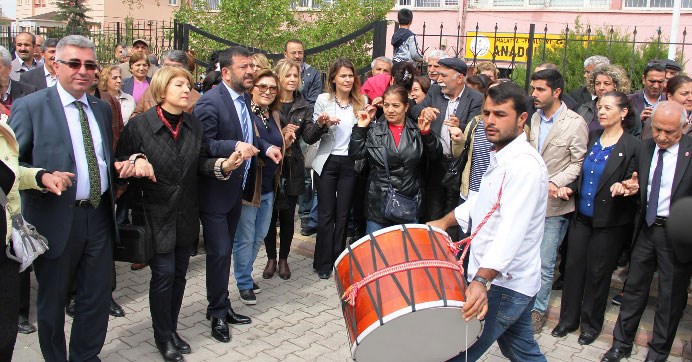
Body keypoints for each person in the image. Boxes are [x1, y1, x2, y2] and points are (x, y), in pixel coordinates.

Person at [8, 35, 154, 362]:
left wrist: (121, 168)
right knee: (52, 300)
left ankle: (85, 356)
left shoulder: (102, 107)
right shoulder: (30, 107)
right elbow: (11, 165)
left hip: (99, 216)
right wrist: (43, 176)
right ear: (56, 65)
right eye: (74, 64)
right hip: (55, 219)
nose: (83, 71)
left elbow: (101, 159)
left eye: (90, 65)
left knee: (97, 296)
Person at [117, 65, 242, 362]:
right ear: (162, 90)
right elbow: (120, 161)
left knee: (180, 276)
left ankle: (171, 329)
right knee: (164, 274)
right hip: (154, 211)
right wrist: (135, 161)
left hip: (186, 211)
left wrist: (221, 166)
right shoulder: (140, 125)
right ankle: (162, 336)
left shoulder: (192, 125)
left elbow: (200, 163)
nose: (187, 90)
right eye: (179, 85)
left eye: (188, 85)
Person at [428, 82, 548, 362]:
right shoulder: (501, 156)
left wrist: (481, 281)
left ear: (521, 119)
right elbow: (481, 202)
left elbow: (511, 232)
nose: (490, 121)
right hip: (505, 281)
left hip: (502, 285)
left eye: (500, 114)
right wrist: (444, 222)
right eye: (487, 113)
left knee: (457, 352)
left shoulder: (524, 167)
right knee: (521, 349)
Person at [602, 101, 692, 362]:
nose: (662, 137)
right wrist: (631, 189)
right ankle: (621, 344)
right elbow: (639, 183)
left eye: (670, 132)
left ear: (684, 127)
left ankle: (658, 352)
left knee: (670, 297)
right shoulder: (645, 148)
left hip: (676, 234)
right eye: (657, 130)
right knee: (633, 290)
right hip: (647, 229)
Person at [550, 91, 640, 346]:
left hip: (610, 222)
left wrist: (626, 186)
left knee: (598, 274)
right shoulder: (593, 138)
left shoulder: (632, 145)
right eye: (600, 107)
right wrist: (571, 189)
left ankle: (591, 325)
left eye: (608, 108)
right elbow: (582, 172)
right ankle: (568, 320)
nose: (601, 112)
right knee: (573, 268)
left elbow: (635, 179)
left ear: (623, 112)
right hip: (582, 218)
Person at [194, 46, 258, 343]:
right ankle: (217, 312)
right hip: (215, 193)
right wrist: (235, 145)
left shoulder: (244, 99)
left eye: (252, 66)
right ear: (226, 72)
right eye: (244, 67)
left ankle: (222, 303)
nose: (250, 71)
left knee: (225, 253)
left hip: (235, 190)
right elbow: (204, 145)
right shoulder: (210, 102)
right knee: (219, 254)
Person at [0, 100, 69, 361]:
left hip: (5, 247)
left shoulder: (2, 129)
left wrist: (40, 177)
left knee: (5, 336)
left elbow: (9, 172)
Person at [528, 69, 588, 334]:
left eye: (540, 89)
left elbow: (578, 163)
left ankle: (538, 311)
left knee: (545, 262)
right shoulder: (534, 118)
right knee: (526, 258)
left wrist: (554, 182)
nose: (534, 94)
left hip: (555, 205)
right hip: (530, 202)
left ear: (556, 92)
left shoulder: (574, 123)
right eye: (533, 88)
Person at [303, 58, 365, 280]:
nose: (347, 79)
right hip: (327, 161)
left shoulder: (361, 101)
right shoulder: (323, 100)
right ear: (333, 79)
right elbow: (310, 135)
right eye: (343, 76)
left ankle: (339, 260)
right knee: (326, 213)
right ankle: (322, 262)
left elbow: (364, 133)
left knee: (343, 214)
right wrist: (322, 124)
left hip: (350, 163)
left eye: (350, 75)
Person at [349, 85, 440, 232]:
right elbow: (356, 154)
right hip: (379, 200)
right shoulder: (375, 130)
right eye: (386, 105)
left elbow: (435, 156)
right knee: (377, 252)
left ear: (406, 107)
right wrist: (361, 127)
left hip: (408, 200)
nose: (390, 110)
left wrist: (427, 134)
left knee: (406, 252)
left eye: (396, 105)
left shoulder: (417, 130)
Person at [411, 57, 483, 233]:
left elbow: (477, 127)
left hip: (460, 166)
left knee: (454, 216)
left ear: (459, 78)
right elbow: (413, 110)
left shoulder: (476, 98)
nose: (439, 79)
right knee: (433, 214)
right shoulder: (435, 92)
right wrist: (423, 110)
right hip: (436, 162)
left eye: (444, 75)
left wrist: (461, 126)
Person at [233, 69, 284, 305]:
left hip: (268, 186)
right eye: (262, 86)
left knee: (260, 235)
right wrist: (267, 148)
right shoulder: (245, 113)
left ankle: (246, 274)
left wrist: (285, 140)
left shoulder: (272, 115)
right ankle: (243, 282)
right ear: (252, 88)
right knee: (245, 237)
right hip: (250, 186)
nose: (267, 91)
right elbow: (253, 141)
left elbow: (273, 143)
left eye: (273, 88)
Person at [264, 59, 313, 280]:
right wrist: (282, 136)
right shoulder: (268, 104)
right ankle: (271, 258)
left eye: (296, 76)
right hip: (270, 166)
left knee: (287, 216)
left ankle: (283, 258)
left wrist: (321, 125)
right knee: (268, 215)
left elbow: (309, 136)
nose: (293, 80)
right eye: (288, 76)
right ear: (279, 78)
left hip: (292, 166)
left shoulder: (303, 104)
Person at [131, 50, 202, 119]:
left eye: (176, 67)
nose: (170, 71)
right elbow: (136, 115)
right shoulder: (151, 90)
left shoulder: (195, 99)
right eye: (167, 66)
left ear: (185, 70)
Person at [630, 61, 667, 139]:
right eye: (652, 81)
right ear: (644, 79)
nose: (656, 86)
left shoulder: (669, 102)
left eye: (660, 82)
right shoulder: (629, 100)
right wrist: (638, 120)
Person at [284, 39, 322, 105]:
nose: (297, 56)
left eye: (300, 53)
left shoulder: (314, 74)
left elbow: (314, 102)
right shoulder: (278, 73)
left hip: (306, 113)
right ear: (285, 54)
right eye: (293, 53)